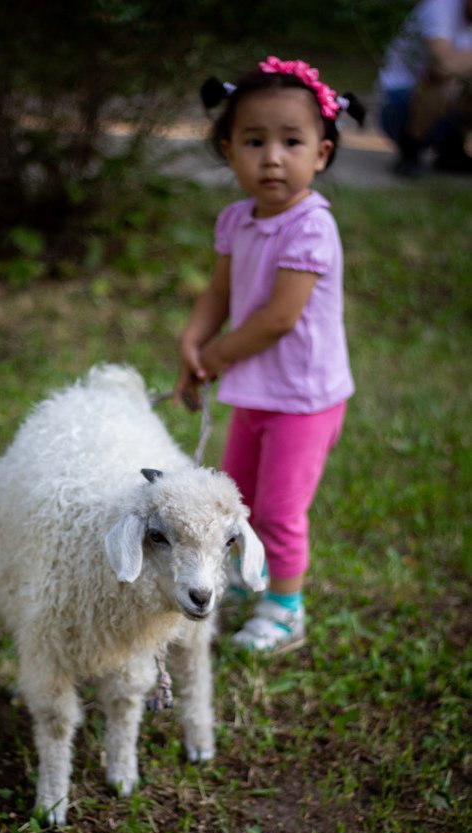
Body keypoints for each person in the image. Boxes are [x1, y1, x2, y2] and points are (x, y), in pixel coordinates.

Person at [174, 56, 365, 654]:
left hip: (303, 399)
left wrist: (218, 355)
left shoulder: (311, 226)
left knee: (281, 510)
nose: (273, 157)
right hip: (256, 390)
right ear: (230, 151)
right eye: (255, 141)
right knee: (241, 500)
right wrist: (193, 343)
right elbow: (221, 292)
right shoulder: (236, 219)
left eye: (292, 141)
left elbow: (279, 318)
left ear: (323, 153)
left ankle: (286, 608)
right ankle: (245, 577)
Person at [377, 0, 472, 176]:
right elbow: (441, 66)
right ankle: (410, 152)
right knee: (438, 79)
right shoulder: (440, 5)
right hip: (397, 108)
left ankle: (452, 150)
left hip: (444, 113)